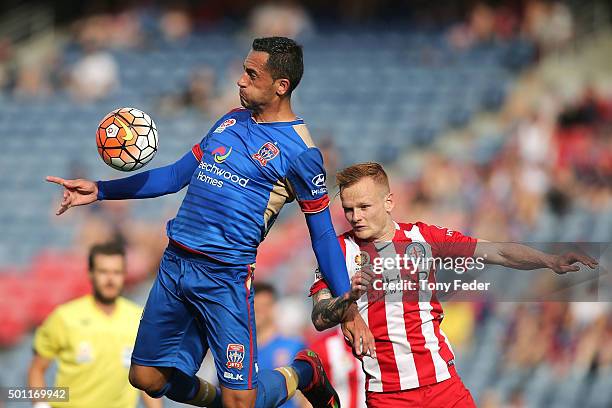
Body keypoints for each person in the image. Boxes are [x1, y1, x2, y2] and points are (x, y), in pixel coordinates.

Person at [46, 36, 372, 408]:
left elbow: (324, 235)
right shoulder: (230, 120)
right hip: (175, 267)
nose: (240, 80)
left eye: (252, 74)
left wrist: (348, 309)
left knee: (241, 402)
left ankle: (303, 372)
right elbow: (174, 176)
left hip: (224, 277)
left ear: (281, 86)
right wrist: (101, 190)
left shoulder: (301, 153)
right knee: (147, 378)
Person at [308, 162, 598, 407]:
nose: (355, 216)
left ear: (389, 202)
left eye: (364, 206)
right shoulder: (338, 253)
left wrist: (548, 259)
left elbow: (496, 251)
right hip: (389, 394)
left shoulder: (423, 238)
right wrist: (348, 300)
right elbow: (319, 315)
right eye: (348, 209)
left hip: (443, 387)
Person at [28, 242, 162, 408]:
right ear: (91, 274)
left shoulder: (139, 319)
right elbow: (37, 369)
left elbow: (146, 377)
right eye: (103, 272)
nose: (110, 279)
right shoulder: (65, 317)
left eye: (117, 272)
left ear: (124, 275)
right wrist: (40, 404)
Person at [253, 282, 306, 408]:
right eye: (255, 306)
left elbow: (306, 397)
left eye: (264, 306)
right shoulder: (238, 351)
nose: (259, 311)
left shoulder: (293, 346)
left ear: (274, 308)